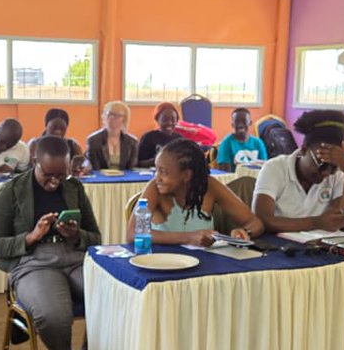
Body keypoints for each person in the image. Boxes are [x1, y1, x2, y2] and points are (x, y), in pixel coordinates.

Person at [0, 136, 100, 350]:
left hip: (74, 257)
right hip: (32, 262)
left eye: (62, 175)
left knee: (114, 299)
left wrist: (75, 235)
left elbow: (96, 237)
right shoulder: (11, 191)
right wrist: (31, 237)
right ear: (35, 161)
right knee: (53, 315)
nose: (55, 182)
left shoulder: (74, 189)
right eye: (48, 175)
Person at [129, 138, 263, 247]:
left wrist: (245, 232)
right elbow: (133, 233)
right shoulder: (154, 189)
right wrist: (188, 237)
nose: (157, 178)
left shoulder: (209, 186)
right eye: (156, 170)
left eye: (163, 172)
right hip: (162, 265)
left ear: (186, 175)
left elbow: (255, 223)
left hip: (202, 266)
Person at [252, 110, 344, 234]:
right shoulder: (275, 168)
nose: (326, 173)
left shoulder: (338, 175)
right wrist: (316, 223)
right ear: (303, 150)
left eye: (333, 168)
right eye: (321, 164)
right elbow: (262, 220)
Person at [85, 100, 138, 171]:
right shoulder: (93, 140)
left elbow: (131, 168)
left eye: (118, 116)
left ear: (124, 119)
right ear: (104, 116)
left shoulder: (132, 142)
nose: (113, 118)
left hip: (125, 179)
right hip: (101, 179)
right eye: (110, 114)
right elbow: (94, 168)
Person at [136, 102, 181, 167]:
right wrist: (159, 160)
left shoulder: (179, 139)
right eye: (165, 120)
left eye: (173, 120)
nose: (169, 123)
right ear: (157, 120)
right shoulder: (148, 138)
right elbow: (138, 163)